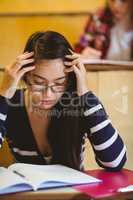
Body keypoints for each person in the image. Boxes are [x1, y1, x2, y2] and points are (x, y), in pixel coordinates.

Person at [0, 31, 126, 171]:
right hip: (25, 192)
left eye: (59, 83)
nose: (48, 94)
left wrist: (84, 92)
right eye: (39, 82)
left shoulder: (81, 103)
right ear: (25, 75)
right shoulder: (11, 103)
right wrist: (4, 93)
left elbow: (115, 162)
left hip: (73, 192)